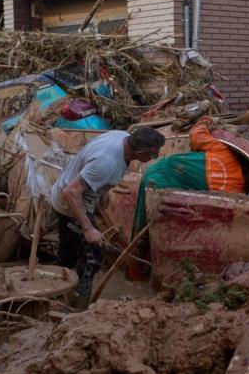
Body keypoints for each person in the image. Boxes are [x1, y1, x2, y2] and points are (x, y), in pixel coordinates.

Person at [50, 127, 165, 306]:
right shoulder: (107, 162)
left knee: (69, 252)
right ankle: (77, 305)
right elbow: (71, 193)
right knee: (92, 258)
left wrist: (101, 192)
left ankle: (57, 291)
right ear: (141, 153)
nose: (153, 158)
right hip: (70, 205)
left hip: (77, 196)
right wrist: (88, 228)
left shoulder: (123, 137)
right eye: (153, 155)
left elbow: (91, 165)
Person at [132, 116, 246, 235]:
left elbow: (196, 134)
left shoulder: (223, 151)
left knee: (142, 229)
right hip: (164, 184)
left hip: (160, 173)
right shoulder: (236, 192)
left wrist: (206, 120)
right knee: (155, 232)